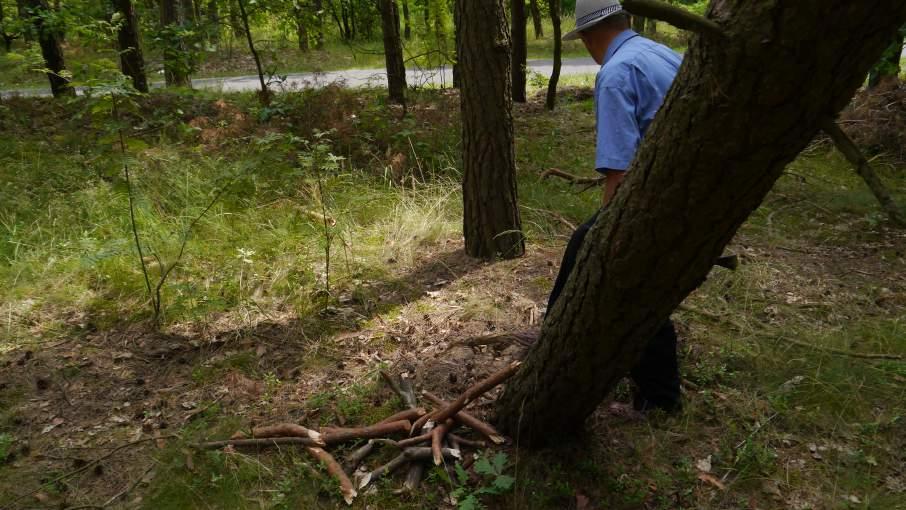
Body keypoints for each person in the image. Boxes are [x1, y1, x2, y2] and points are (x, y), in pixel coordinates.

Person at [549, 0, 683, 413]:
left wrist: (610, 235)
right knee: (638, 282)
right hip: (687, 191)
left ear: (590, 36)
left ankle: (554, 349)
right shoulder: (661, 52)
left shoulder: (615, 73)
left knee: (594, 259)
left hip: (658, 199)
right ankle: (657, 394)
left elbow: (620, 172)